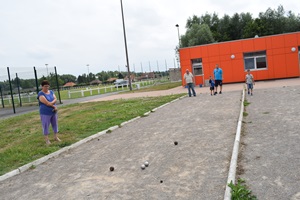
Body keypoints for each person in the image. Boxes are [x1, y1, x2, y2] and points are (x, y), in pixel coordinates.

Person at [37, 80, 61, 145]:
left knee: (55, 124)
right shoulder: (40, 94)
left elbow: (55, 99)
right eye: (45, 86)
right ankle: (47, 140)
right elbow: (46, 103)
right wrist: (54, 106)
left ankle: (56, 137)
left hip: (53, 112)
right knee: (46, 125)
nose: (47, 88)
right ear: (42, 86)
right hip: (45, 112)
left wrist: (52, 104)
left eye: (48, 86)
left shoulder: (51, 92)